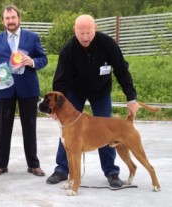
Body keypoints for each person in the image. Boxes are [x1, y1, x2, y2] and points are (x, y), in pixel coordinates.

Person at [46, 14, 140, 187]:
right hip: (76, 93)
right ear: (74, 30)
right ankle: (61, 169)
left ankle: (111, 172)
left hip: (101, 92)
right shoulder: (68, 50)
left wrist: (131, 97)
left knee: (107, 131)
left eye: (88, 33)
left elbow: (121, 70)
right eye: (81, 33)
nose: (85, 37)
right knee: (68, 131)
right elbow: (60, 80)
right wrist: (55, 110)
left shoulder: (108, 44)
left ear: (95, 28)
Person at [0, 5, 48, 177]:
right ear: (3, 21)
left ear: (19, 18)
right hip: (4, 90)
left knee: (30, 127)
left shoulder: (32, 37)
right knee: (3, 128)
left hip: (28, 89)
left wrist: (32, 62)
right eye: (7, 18)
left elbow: (44, 59)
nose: (10, 21)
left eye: (13, 18)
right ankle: (1, 165)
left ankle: (33, 164)